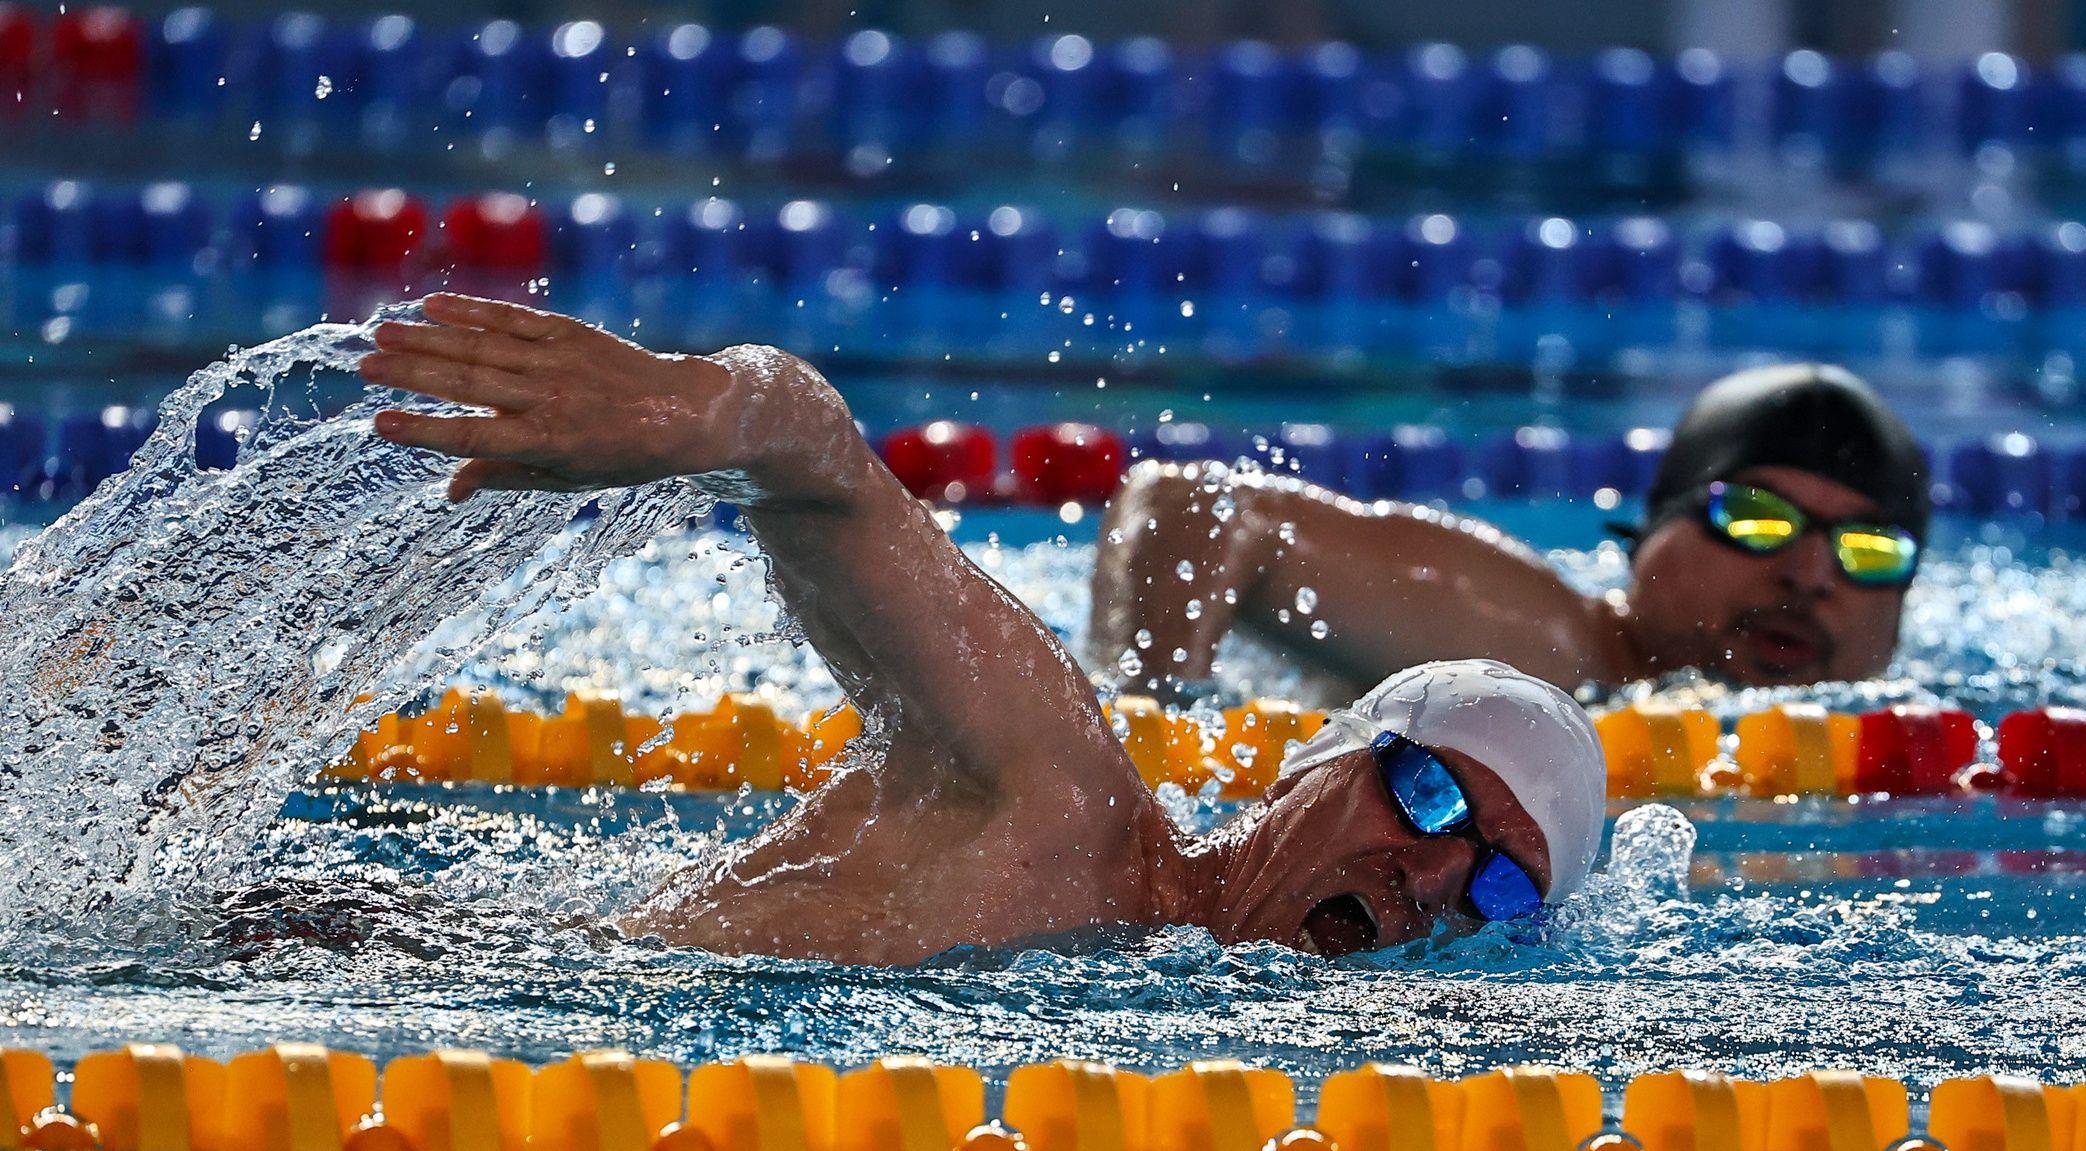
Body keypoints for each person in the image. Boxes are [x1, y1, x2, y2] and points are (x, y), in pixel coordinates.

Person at [360, 293, 1608, 967]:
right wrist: (697, 413)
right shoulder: (1051, 795)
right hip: (364, 963)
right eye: (1430, 798)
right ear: (1317, 761)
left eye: (1499, 883)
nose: (1431, 876)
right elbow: (820, 462)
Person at [1089, 362, 1932, 702]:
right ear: (1652, 533)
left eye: (1869, 552)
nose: (1810, 573)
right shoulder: (1535, 646)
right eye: (1756, 518)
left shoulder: (1931, 745)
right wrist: (1153, 724)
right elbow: (1194, 505)